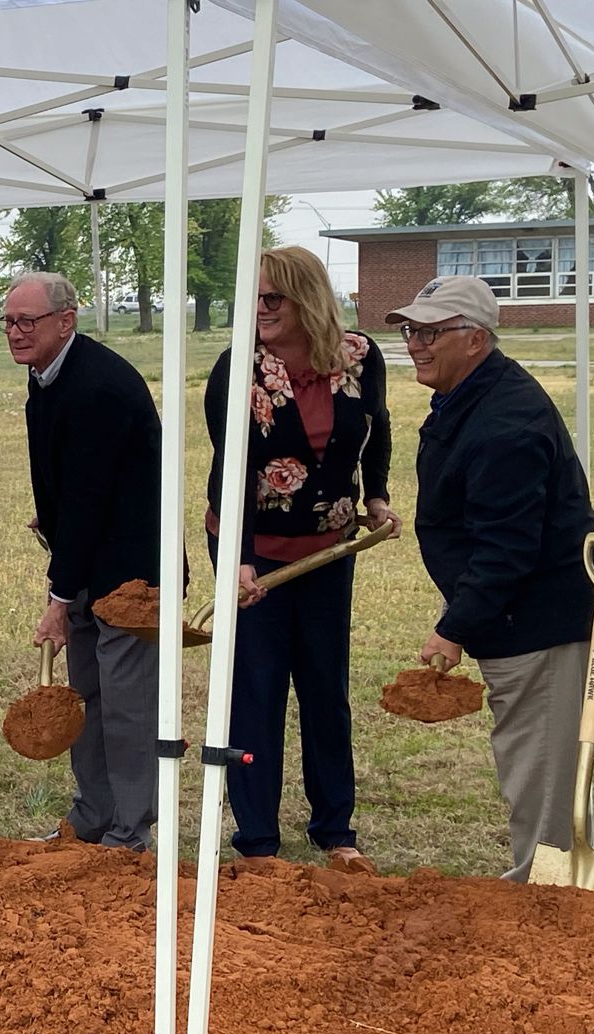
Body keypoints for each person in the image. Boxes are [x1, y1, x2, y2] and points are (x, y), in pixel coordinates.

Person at [393, 275, 594, 883]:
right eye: (411, 330)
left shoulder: (505, 422)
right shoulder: (469, 397)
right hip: (518, 620)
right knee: (531, 764)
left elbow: (506, 547)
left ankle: (545, 900)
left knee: (539, 772)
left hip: (538, 623)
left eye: (431, 332)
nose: (415, 344)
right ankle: (541, 889)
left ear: (476, 338)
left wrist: (453, 628)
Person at [203, 245, 400, 872]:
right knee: (256, 690)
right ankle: (257, 841)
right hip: (252, 551)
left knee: (324, 686)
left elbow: (379, 428)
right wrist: (236, 559)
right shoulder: (237, 369)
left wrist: (377, 494)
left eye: (270, 299)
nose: (258, 311)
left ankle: (336, 831)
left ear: (306, 298)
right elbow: (226, 472)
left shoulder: (360, 358)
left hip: (328, 552)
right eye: (251, 300)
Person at [2, 272, 163, 849]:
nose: (15, 333)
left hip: (131, 575)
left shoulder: (97, 385)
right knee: (89, 698)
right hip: (89, 559)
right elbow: (69, 483)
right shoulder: (46, 374)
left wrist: (59, 597)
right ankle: (93, 816)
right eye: (9, 321)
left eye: (28, 321)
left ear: (65, 321)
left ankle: (131, 832)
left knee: (125, 707)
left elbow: (90, 500)